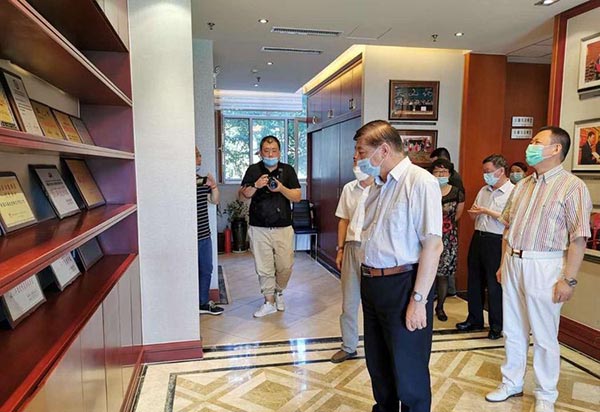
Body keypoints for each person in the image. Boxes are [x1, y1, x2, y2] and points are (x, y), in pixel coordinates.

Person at [486, 127, 591, 412]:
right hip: (513, 260)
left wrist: (568, 279)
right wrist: (502, 263)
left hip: (545, 264)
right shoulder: (523, 185)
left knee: (544, 335)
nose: (530, 146)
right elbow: (507, 227)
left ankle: (545, 393)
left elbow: (578, 238)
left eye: (537, 142)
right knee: (513, 328)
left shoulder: (572, 187)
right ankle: (511, 381)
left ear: (555, 149)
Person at [356, 120, 443, 412]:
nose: (357, 159)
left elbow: (433, 245)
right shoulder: (376, 186)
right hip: (372, 283)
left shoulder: (420, 182)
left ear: (383, 150)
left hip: (403, 284)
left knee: (409, 368)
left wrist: (418, 300)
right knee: (379, 363)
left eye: (361, 152)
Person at [239, 135, 301, 318]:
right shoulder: (253, 170)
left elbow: (297, 196)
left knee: (285, 266)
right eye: (266, 151)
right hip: (259, 227)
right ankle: (269, 302)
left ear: (280, 152)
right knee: (264, 267)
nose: (270, 154)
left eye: (274, 151)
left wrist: (281, 188)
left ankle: (279, 291)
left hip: (283, 227)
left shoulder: (288, 170)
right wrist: (256, 185)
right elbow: (242, 195)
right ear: (260, 152)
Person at [456, 154, 513, 339]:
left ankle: (496, 325)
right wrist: (475, 213)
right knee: (474, 280)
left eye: (488, 171)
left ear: (501, 171)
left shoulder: (513, 192)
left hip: (497, 241)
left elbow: (510, 220)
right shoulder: (484, 190)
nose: (485, 175)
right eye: (484, 171)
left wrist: (487, 211)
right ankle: (474, 319)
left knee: (494, 284)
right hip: (478, 237)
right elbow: (475, 211)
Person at [331, 157, 374, 363]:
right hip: (351, 247)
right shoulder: (349, 188)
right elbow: (343, 220)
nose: (356, 165)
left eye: (360, 160)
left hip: (374, 249)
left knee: (374, 302)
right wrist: (340, 249)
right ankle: (349, 346)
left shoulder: (383, 187)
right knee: (349, 301)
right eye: (354, 161)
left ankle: (378, 347)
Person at [430, 158, 464, 322]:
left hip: (448, 238)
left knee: (443, 275)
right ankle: (425, 305)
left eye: (443, 172)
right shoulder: (427, 190)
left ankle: (440, 307)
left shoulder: (457, 192)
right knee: (426, 272)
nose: (440, 175)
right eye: (437, 172)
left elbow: (457, 216)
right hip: (428, 236)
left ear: (450, 174)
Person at [196, 147, 223, 315]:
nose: (199, 159)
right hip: (187, 237)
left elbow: (215, 200)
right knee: (189, 271)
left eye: (199, 155)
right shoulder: (178, 182)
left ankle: (203, 303)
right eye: (196, 156)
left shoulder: (201, 181)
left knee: (206, 269)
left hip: (204, 235)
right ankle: (189, 303)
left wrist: (213, 186)